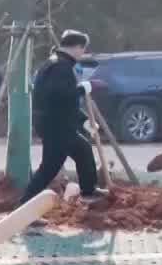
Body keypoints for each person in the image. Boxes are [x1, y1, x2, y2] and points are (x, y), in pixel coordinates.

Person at [23, 29, 104, 202]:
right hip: (56, 126)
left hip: (57, 123)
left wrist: (83, 120)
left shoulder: (53, 63)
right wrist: (82, 89)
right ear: (77, 47)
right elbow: (60, 95)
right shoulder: (61, 66)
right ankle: (23, 205)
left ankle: (88, 192)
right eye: (83, 49)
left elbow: (62, 102)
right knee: (49, 168)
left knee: (83, 150)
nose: (83, 53)